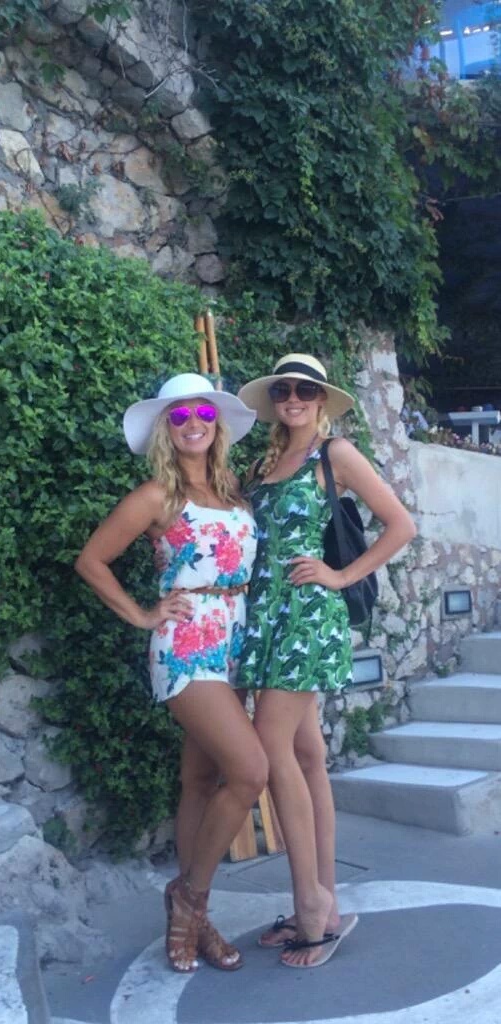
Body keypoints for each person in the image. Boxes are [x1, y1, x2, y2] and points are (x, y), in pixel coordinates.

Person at [74, 372, 267, 974]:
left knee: (200, 780)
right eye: (179, 416)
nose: (193, 424)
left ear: (217, 425)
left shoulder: (232, 492)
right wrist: (142, 614)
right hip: (187, 641)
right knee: (250, 771)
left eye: (203, 414)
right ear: (166, 428)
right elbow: (92, 560)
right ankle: (191, 900)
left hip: (233, 640)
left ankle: (196, 920)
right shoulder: (156, 496)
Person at [236, 353, 417, 968]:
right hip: (265, 619)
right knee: (307, 754)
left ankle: (309, 905)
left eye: (305, 390)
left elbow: (400, 525)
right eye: (283, 390)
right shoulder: (262, 466)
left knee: (270, 747)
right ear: (273, 401)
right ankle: (326, 898)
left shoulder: (333, 454)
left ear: (321, 399)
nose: (293, 398)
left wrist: (341, 576)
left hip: (308, 619)